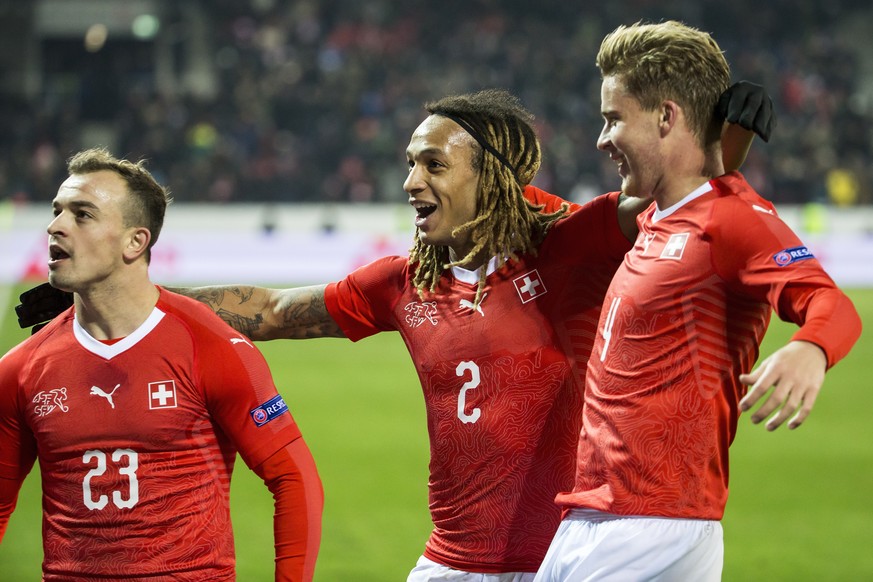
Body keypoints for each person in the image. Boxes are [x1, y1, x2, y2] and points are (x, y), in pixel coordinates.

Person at [13, 86, 772, 580]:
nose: (409, 181)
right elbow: (274, 313)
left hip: (569, 560)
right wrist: (129, 292)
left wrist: (727, 134)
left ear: (494, 171)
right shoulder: (402, 282)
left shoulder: (572, 243)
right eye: (407, 163)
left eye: (431, 163)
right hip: (449, 564)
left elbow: (684, 201)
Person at [533, 21, 862, 582]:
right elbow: (552, 235)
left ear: (666, 116)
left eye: (614, 118)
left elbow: (829, 301)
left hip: (658, 524)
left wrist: (810, 349)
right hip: (588, 515)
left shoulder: (733, 220)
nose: (601, 137)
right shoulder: (648, 216)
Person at [0, 148, 323, 581]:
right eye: (57, 211)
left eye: (82, 215)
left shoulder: (210, 346)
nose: (55, 226)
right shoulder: (20, 369)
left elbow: (295, 478)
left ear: (136, 241)